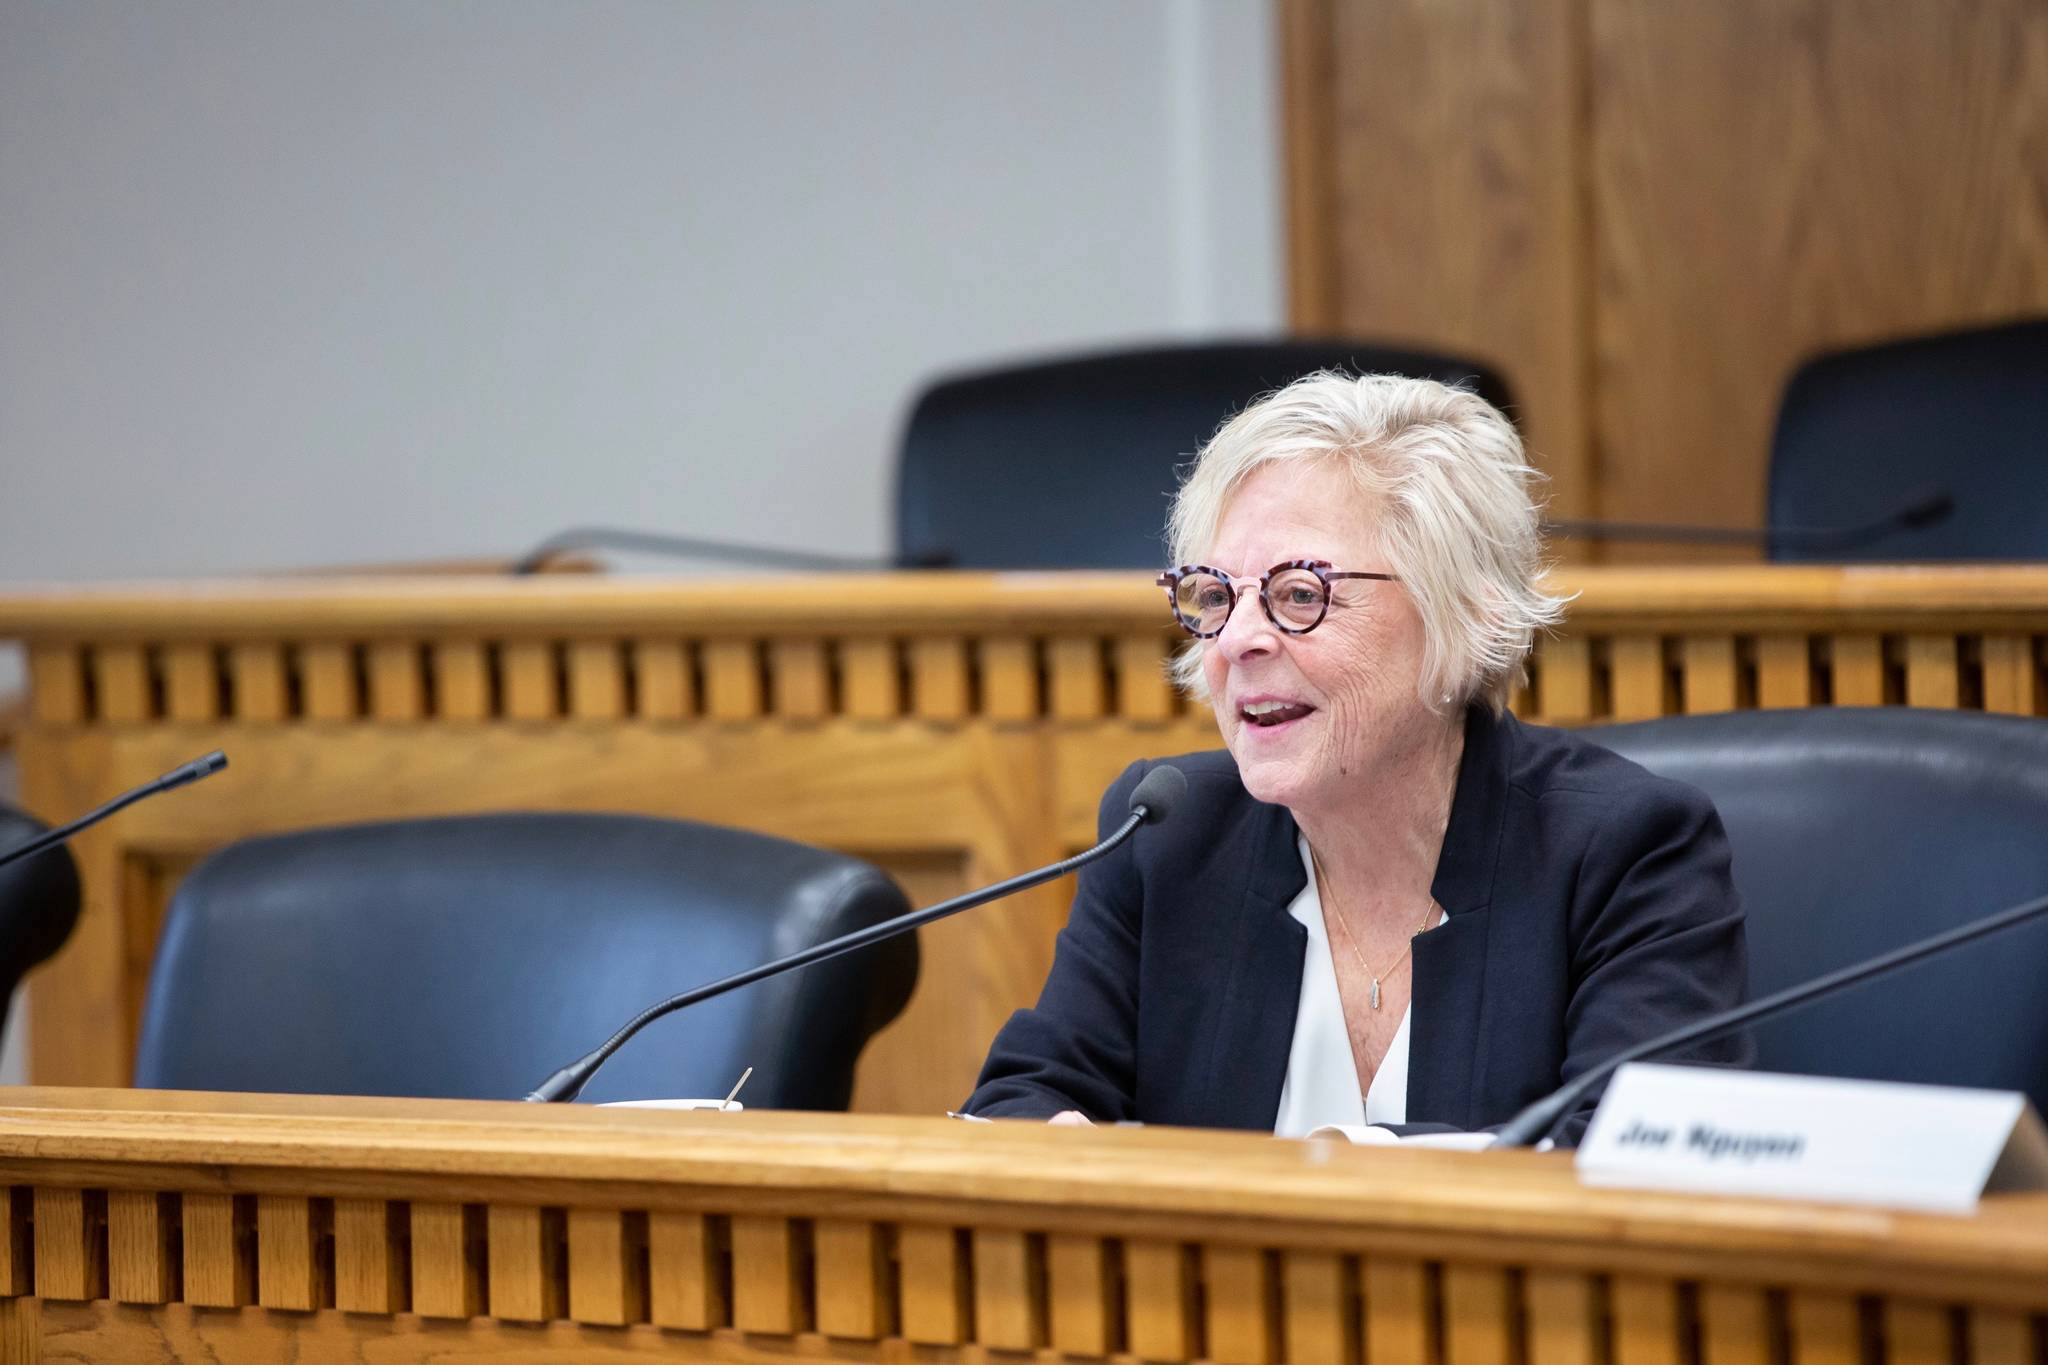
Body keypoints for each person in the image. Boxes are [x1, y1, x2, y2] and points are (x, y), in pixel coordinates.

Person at [962, 372, 1749, 1142]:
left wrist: (1341, 1168)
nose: (1238, 639)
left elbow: (1634, 1161)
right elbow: (1024, 1096)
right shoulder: (1167, 837)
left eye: (1300, 593)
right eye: (1214, 595)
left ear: (1463, 615)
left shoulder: (1624, 851)